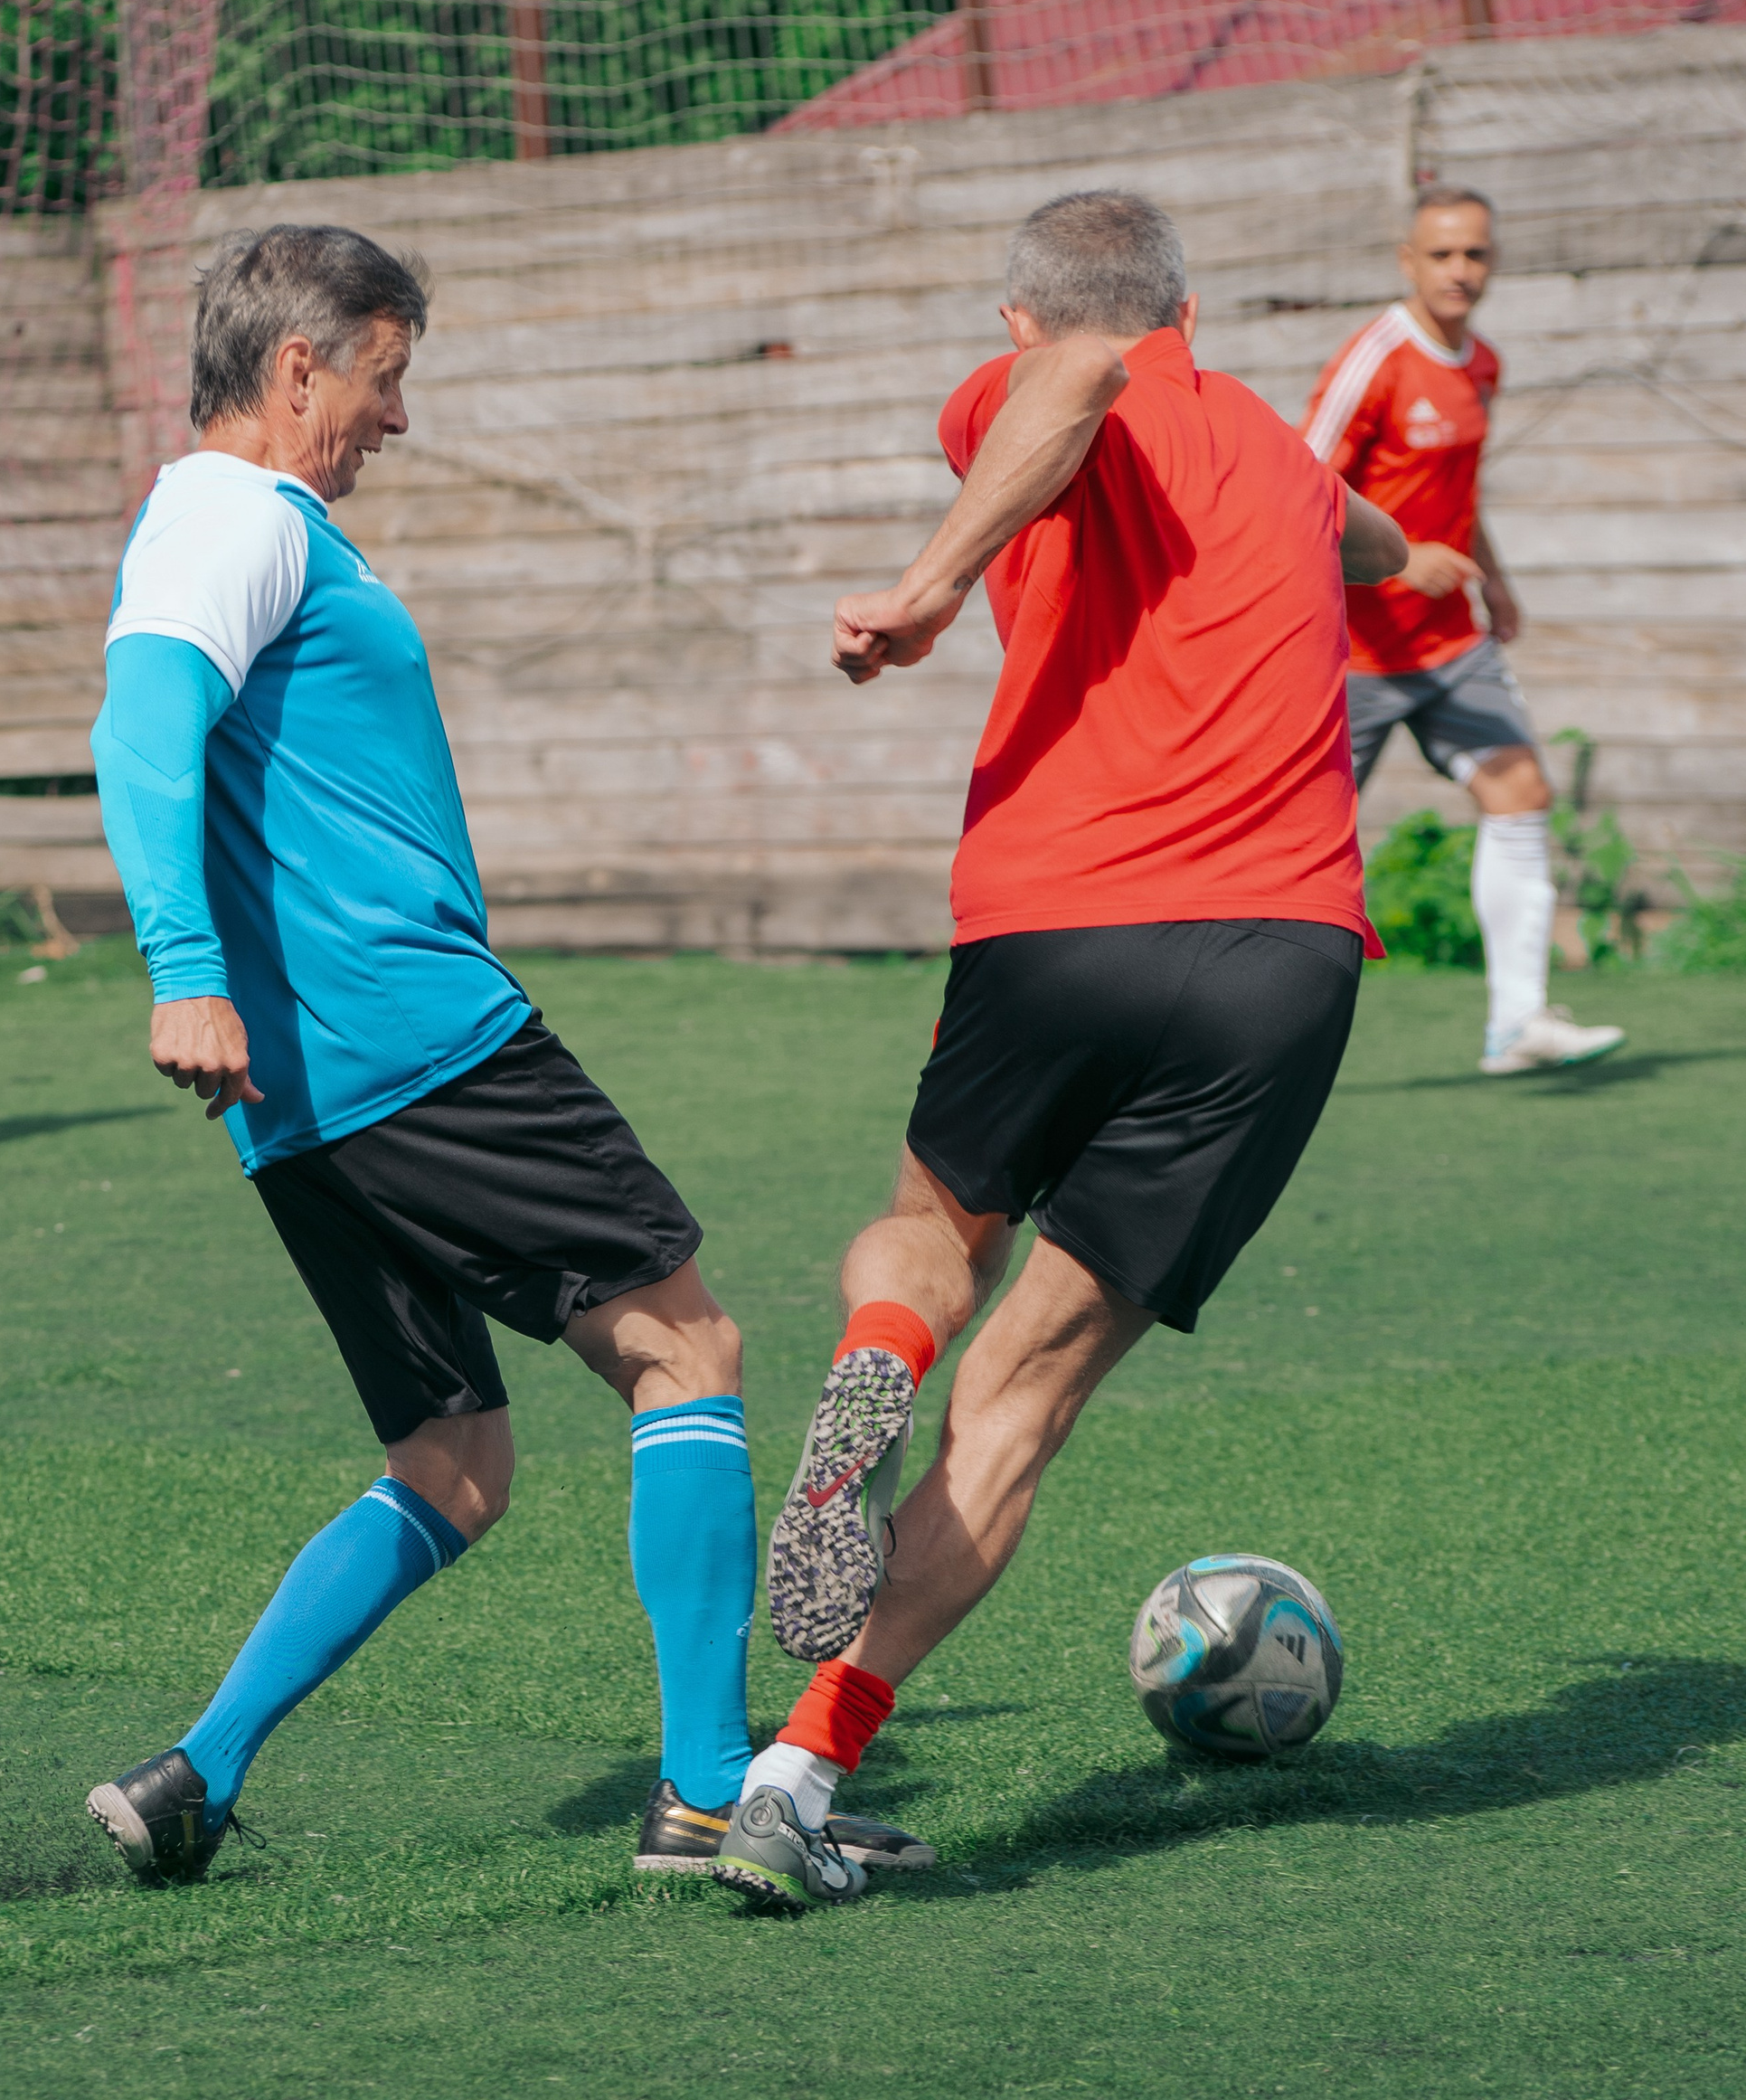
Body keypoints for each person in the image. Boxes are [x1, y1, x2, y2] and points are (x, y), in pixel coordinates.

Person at [80, 224, 926, 1888]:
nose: (399, 419)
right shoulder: (236, 517)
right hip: (414, 1041)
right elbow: (138, 724)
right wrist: (185, 970)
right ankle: (701, 1795)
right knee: (687, 1347)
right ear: (299, 366)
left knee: (453, 1469)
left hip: (306, 1100)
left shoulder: (241, 524)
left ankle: (200, 1772)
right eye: (386, 380)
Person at [710, 191, 1411, 1913]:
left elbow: (1101, 384)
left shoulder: (1042, 378)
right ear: (1194, 311)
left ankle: (882, 1348)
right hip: (1279, 955)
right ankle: (801, 1775)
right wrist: (1410, 555)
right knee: (1025, 1396)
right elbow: (1199, 432)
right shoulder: (1229, 431)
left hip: (1061, 922)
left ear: (1010, 321)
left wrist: (938, 583)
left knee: (935, 1235)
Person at [1303, 185, 1622, 1076]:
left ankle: (1517, 1024)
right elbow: (1295, 495)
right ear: (1406, 261)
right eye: (1441, 254)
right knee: (1295, 841)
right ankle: (1218, 1032)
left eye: (1475, 253)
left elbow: (1458, 497)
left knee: (1519, 790)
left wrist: (1499, 586)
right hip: (1349, 653)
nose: (1460, 270)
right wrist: (1400, 562)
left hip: (1450, 642)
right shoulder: (1373, 360)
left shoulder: (1482, 362)